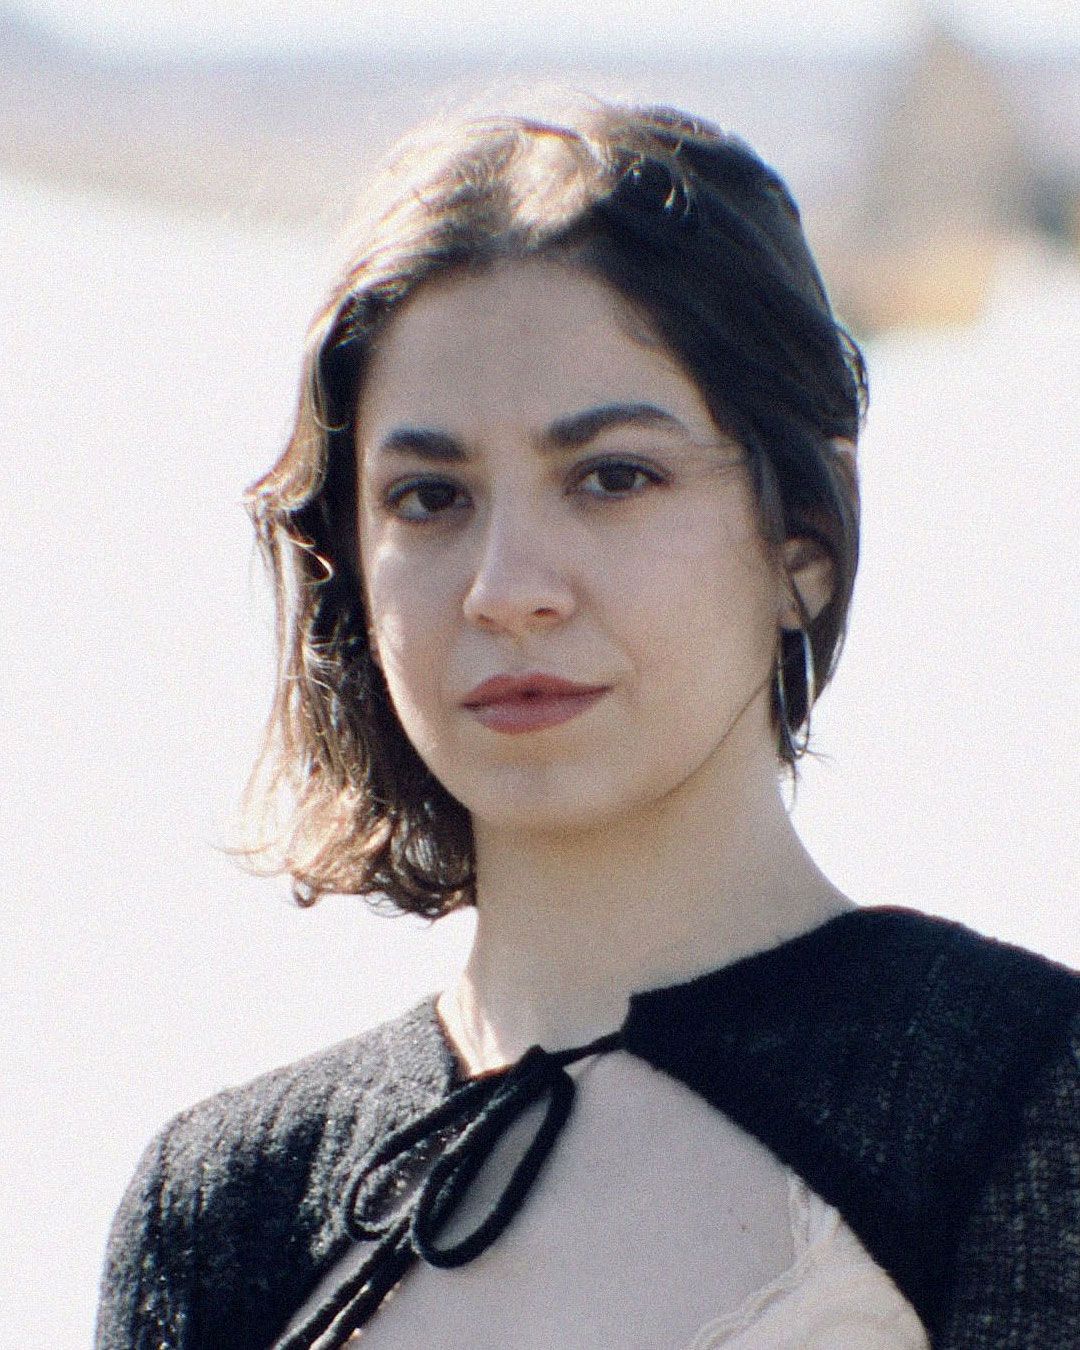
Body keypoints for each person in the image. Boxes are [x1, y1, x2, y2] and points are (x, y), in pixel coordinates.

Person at [95, 100, 1079, 1348]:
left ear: (803, 544)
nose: (507, 588)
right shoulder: (226, 1206)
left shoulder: (1012, 1096)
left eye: (614, 477)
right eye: (429, 497)